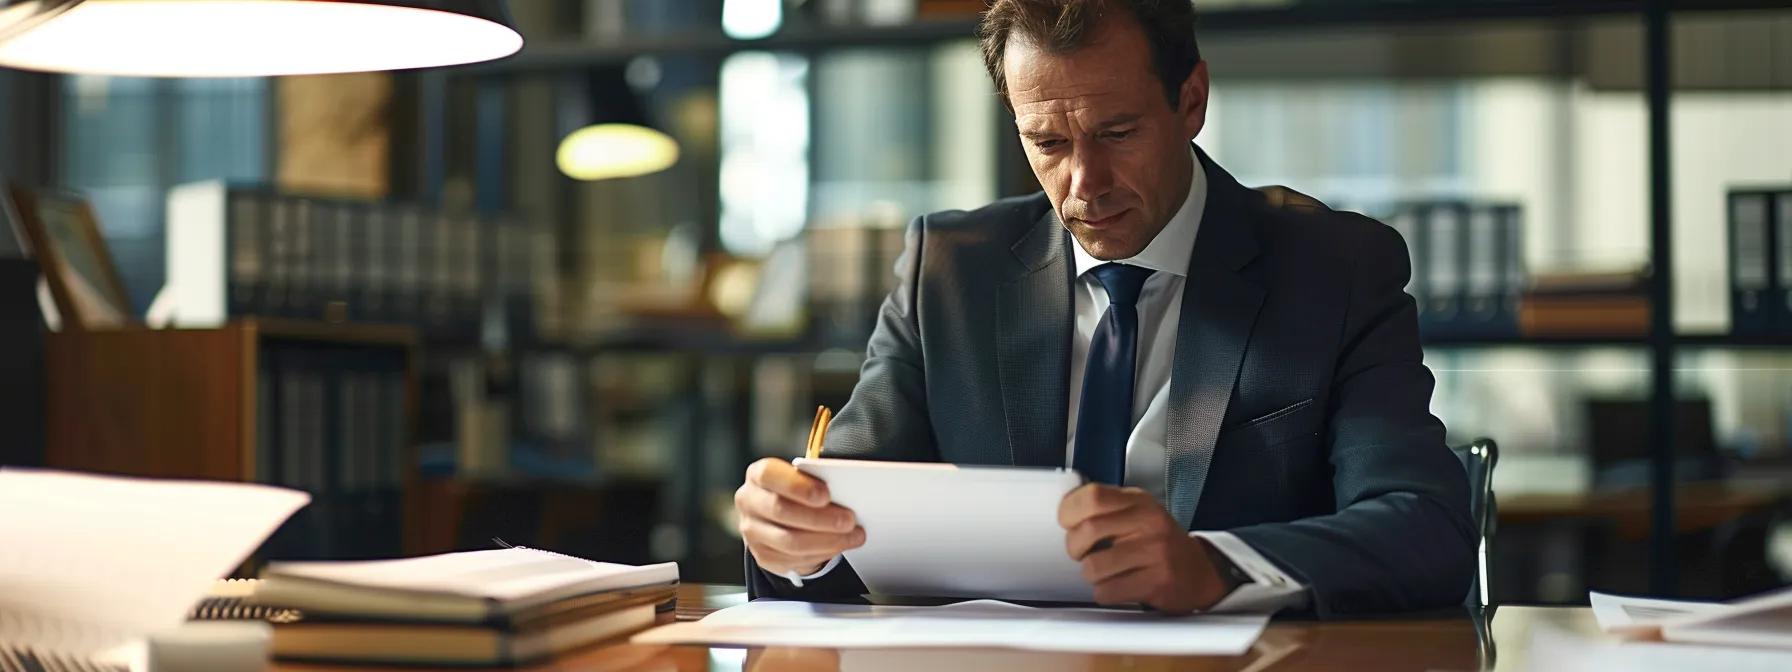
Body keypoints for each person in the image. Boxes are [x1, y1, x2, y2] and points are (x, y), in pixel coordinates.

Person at [734, 0, 1473, 617]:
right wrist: (795, 540)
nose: (1085, 184)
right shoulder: (951, 271)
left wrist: (1215, 566)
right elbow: (846, 516)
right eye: (1047, 141)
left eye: (1117, 134)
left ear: (1191, 101)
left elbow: (1426, 527)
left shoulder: (1333, 271)